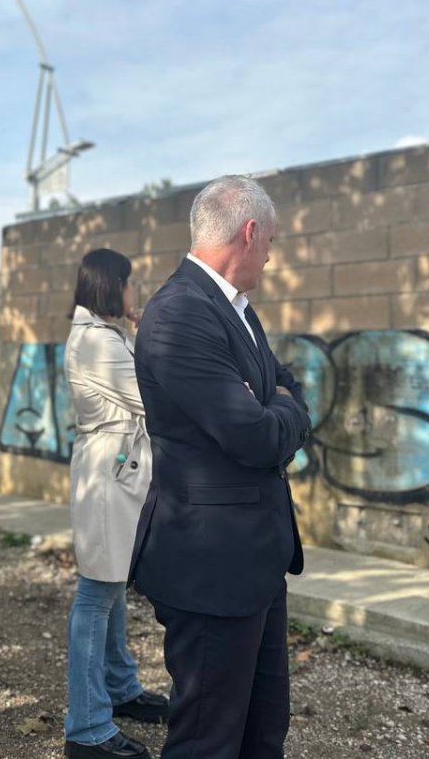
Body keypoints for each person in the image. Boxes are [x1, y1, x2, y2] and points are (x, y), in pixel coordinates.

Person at [129, 175, 311, 759]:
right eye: (272, 242)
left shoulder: (236, 310)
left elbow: (288, 390)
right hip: (210, 566)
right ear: (250, 232)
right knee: (208, 737)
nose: (271, 255)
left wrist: (279, 403)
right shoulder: (181, 313)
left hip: (254, 559)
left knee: (262, 727)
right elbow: (256, 435)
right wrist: (280, 408)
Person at [63, 249, 169, 759]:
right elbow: (156, 397)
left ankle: (121, 688)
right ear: (112, 286)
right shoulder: (99, 344)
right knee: (97, 593)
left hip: (115, 469)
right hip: (110, 474)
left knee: (112, 586)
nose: (136, 292)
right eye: (130, 283)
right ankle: (85, 727)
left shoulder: (106, 337)